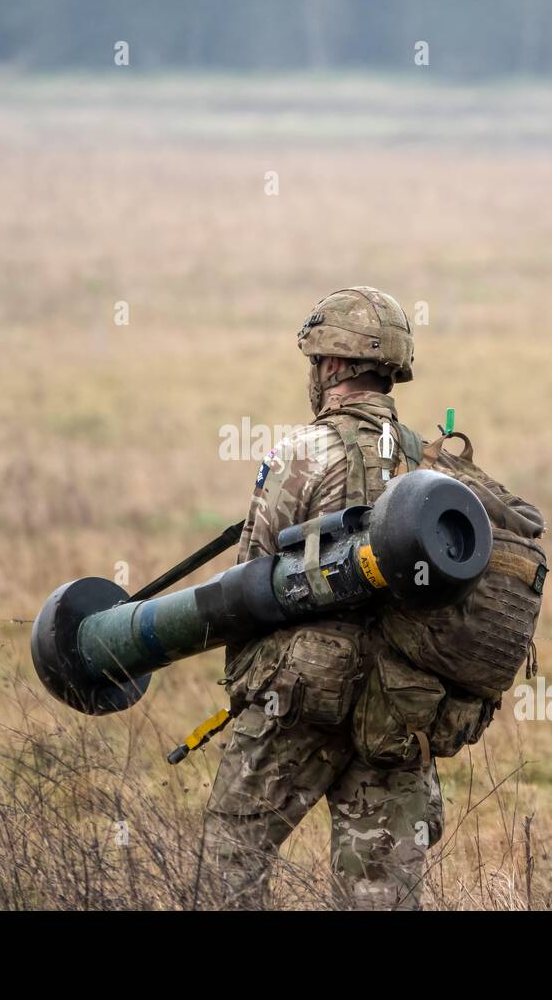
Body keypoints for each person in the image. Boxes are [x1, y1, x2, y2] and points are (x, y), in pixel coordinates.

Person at [201, 286, 441, 910]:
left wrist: (247, 687)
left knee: (231, 854)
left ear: (331, 366)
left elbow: (248, 584)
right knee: (381, 891)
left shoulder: (300, 454)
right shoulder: (436, 468)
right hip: (397, 708)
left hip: (300, 701)